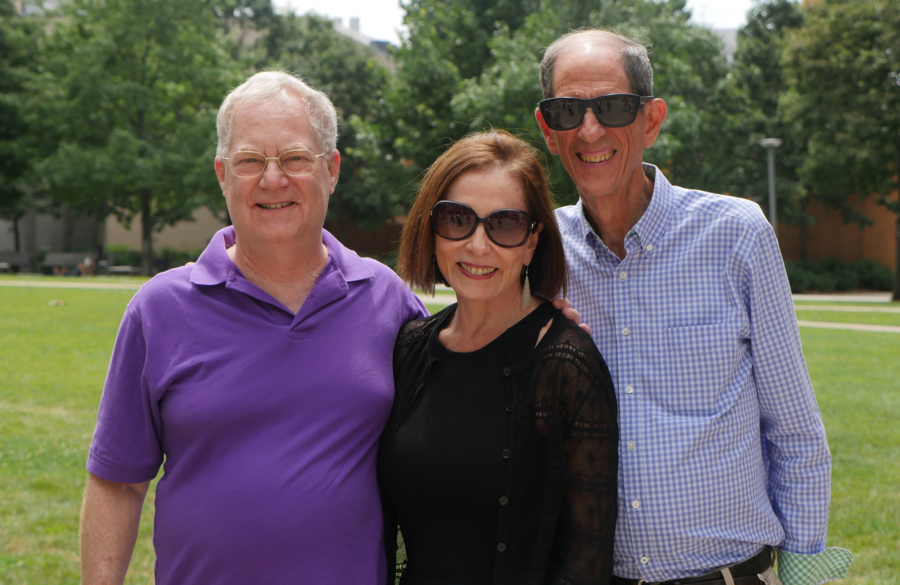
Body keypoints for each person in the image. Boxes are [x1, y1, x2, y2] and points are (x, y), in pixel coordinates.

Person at [79, 71, 429, 584]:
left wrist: (535, 323)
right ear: (222, 174)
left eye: (293, 158)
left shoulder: (386, 300)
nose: (272, 180)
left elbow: (465, 386)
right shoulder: (158, 310)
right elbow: (118, 483)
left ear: (331, 169)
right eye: (249, 161)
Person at [533, 29, 849, 584]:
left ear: (651, 121)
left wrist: (803, 571)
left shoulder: (737, 235)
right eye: (568, 110)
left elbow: (794, 430)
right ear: (548, 130)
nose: (589, 129)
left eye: (611, 107)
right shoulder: (540, 252)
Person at [379, 130, 618, 585]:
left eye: (505, 224)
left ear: (532, 241)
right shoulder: (409, 349)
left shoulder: (566, 365)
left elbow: (585, 568)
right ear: (431, 231)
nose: (478, 245)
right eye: (456, 219)